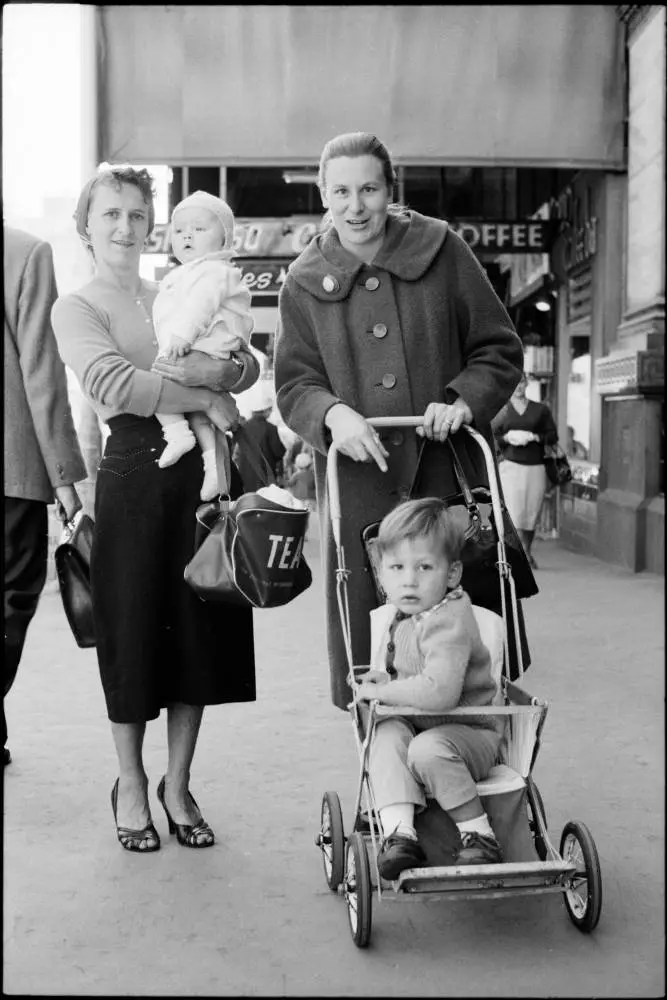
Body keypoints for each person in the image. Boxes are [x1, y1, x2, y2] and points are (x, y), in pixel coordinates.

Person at [274, 131, 526, 711]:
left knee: (461, 623)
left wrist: (462, 401)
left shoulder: (442, 251)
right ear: (323, 193)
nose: (355, 206)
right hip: (360, 489)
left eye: (368, 188)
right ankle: (384, 775)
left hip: (446, 476)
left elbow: (498, 348)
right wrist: (335, 415)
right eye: (340, 191)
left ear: (391, 188)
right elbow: (294, 383)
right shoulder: (303, 280)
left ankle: (469, 750)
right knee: (370, 639)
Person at [51, 165, 259, 853]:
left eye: (137, 215)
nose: (124, 226)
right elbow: (112, 381)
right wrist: (207, 396)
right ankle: (131, 782)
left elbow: (245, 356)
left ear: (153, 225)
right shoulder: (77, 306)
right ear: (86, 225)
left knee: (200, 626)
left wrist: (228, 375)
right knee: (132, 629)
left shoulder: (178, 283)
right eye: (110, 214)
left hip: (201, 474)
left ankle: (178, 782)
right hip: (133, 475)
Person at [355, 498, 504, 878]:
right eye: (397, 568)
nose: (409, 580)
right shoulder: (406, 615)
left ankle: (480, 835)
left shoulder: (449, 619)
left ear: (452, 574)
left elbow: (440, 692)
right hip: (424, 724)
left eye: (424, 567)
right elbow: (414, 673)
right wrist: (387, 683)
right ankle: (400, 833)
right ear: (381, 574)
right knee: (385, 734)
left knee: (426, 748)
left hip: (470, 735)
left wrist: (384, 694)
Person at [3, 226, 87, 767]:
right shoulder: (24, 252)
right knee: (12, 601)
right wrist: (63, 477)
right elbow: (40, 369)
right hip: (10, 471)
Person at [152, 190, 254, 500]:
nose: (187, 236)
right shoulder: (181, 275)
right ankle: (208, 460)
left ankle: (180, 436)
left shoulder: (214, 271)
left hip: (206, 344)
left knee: (162, 386)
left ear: (224, 239)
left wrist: (181, 337)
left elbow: (200, 306)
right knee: (196, 409)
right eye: (180, 230)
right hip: (195, 348)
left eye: (199, 229)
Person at [492, 372, 558, 569]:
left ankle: (527, 550)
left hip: (535, 466)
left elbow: (552, 435)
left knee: (531, 513)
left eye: (521, 383)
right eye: (515, 384)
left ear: (527, 384)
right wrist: (507, 438)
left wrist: (534, 437)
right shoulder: (501, 410)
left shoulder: (541, 410)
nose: (518, 387)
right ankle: (516, 555)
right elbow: (490, 436)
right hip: (510, 466)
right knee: (514, 512)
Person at [234, 404, 286, 493]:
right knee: (264, 501)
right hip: (265, 474)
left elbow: (237, 452)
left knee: (249, 501)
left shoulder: (242, 428)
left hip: (245, 474)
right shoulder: (270, 428)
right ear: (265, 410)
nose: (270, 412)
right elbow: (279, 452)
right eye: (270, 410)